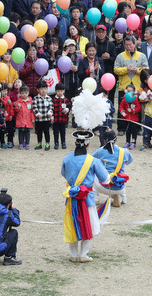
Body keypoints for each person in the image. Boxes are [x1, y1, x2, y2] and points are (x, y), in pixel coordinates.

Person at [62, 131, 110, 263]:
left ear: (75, 143)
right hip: (87, 198)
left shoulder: (66, 159)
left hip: (71, 197)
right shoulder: (94, 161)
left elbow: (64, 174)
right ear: (88, 145)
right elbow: (105, 179)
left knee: (72, 224)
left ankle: (73, 254)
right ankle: (83, 254)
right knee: (89, 224)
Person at [114, 36, 149, 135]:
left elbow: (146, 70)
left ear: (135, 44)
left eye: (130, 44)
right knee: (122, 106)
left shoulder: (141, 55)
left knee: (137, 108)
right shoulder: (120, 56)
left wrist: (137, 70)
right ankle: (121, 128)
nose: (128, 46)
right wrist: (126, 69)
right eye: (126, 44)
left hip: (137, 86)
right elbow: (116, 69)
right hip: (124, 86)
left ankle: (137, 128)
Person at [92, 129, 133, 206]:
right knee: (121, 176)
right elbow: (129, 161)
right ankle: (121, 198)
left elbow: (90, 161)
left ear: (104, 140)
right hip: (118, 185)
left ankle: (95, 199)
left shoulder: (99, 151)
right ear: (116, 138)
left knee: (93, 175)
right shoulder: (124, 151)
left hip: (102, 185)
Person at [33, 80, 53, 151]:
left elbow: (51, 107)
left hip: (46, 119)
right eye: (41, 89)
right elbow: (34, 107)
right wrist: (37, 113)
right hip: (39, 119)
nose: (43, 91)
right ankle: (39, 143)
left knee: (46, 132)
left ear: (47, 89)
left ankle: (47, 143)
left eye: (45, 89)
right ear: (38, 90)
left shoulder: (49, 98)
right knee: (39, 132)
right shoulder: (36, 98)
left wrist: (50, 112)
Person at [52, 83, 71, 149]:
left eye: (61, 91)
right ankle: (56, 143)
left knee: (63, 132)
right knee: (55, 132)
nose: (59, 92)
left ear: (64, 91)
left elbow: (69, 107)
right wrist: (51, 118)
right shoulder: (53, 100)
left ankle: (63, 142)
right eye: (58, 91)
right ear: (55, 91)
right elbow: (51, 109)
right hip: (55, 120)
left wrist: (67, 109)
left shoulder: (65, 100)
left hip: (63, 119)